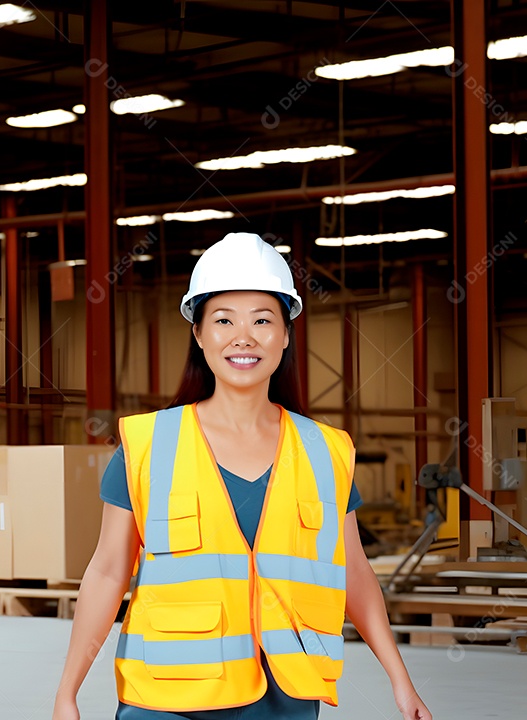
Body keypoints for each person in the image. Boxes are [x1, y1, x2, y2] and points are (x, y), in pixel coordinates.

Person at [51, 233, 432, 720]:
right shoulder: (147, 445)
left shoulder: (325, 452)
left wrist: (401, 681)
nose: (243, 337)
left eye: (262, 320)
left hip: (285, 701)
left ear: (286, 333)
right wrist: (68, 691)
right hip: (166, 698)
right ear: (198, 334)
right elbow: (107, 571)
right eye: (224, 320)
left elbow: (355, 573)